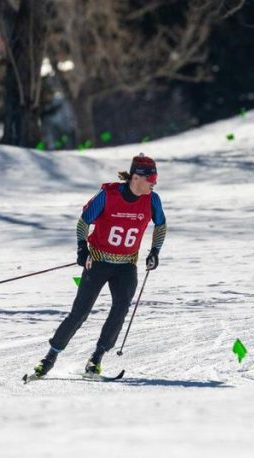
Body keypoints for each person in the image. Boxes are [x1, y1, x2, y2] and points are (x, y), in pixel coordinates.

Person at [32, 153, 167, 377]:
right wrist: (81, 249)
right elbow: (83, 222)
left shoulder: (153, 200)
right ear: (136, 178)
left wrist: (155, 252)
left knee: (121, 308)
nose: (154, 183)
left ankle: (96, 358)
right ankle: (50, 357)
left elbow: (161, 226)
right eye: (151, 179)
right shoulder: (108, 195)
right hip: (97, 261)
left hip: (126, 265)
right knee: (80, 312)